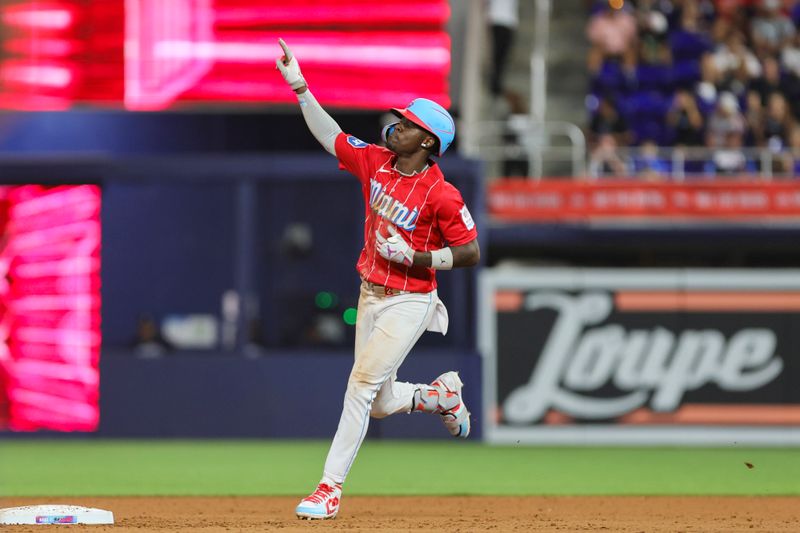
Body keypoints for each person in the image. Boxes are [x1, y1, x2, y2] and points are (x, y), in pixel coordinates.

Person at [275, 39, 480, 520]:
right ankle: (439, 396)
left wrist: (417, 255)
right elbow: (332, 136)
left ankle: (329, 489)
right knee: (383, 401)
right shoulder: (376, 163)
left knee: (359, 387)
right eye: (401, 119)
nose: (397, 125)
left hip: (411, 299)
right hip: (371, 292)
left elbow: (470, 251)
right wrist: (300, 86)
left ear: (428, 141)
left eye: (408, 124)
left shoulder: (441, 193)